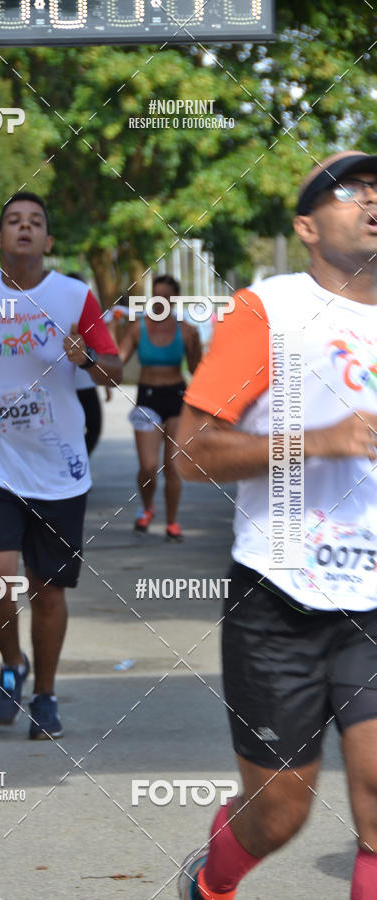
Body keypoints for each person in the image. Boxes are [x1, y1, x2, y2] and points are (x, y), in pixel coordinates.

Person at [176, 151, 377, 899]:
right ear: (307, 226)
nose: (372, 201)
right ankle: (212, 883)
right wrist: (317, 440)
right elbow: (190, 455)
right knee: (279, 814)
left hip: (375, 601)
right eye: (353, 191)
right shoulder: (270, 310)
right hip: (279, 599)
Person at [0, 192, 122, 739]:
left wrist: (86, 357)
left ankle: (45, 694)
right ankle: (11, 663)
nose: (24, 228)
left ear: (48, 241)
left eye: (35, 222)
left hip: (59, 469)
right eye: (13, 221)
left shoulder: (74, 297)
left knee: (47, 591)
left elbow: (112, 371)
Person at [119, 274, 201, 540]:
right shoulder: (137, 328)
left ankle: (172, 522)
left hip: (177, 398)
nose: (160, 302)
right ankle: (147, 507)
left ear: (174, 300)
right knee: (148, 466)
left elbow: (198, 370)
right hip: (148, 398)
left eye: (166, 297)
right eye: (156, 296)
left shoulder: (186, 330)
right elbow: (117, 360)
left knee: (173, 466)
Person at [67, 272, 110, 455]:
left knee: (93, 427)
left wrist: (106, 383)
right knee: (86, 428)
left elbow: (100, 349)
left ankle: (76, 462)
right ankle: (74, 462)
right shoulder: (61, 313)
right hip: (70, 384)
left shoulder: (89, 314)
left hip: (86, 381)